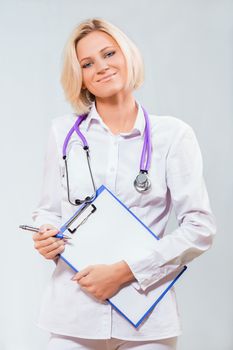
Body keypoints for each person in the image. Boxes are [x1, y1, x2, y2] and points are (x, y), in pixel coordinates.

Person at [32, 18, 216, 350]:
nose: (101, 67)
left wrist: (125, 271)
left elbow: (200, 227)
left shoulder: (172, 136)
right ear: (81, 78)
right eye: (87, 63)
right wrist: (46, 234)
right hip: (74, 313)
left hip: (146, 318)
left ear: (127, 56)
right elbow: (48, 211)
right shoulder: (63, 134)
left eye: (109, 54)